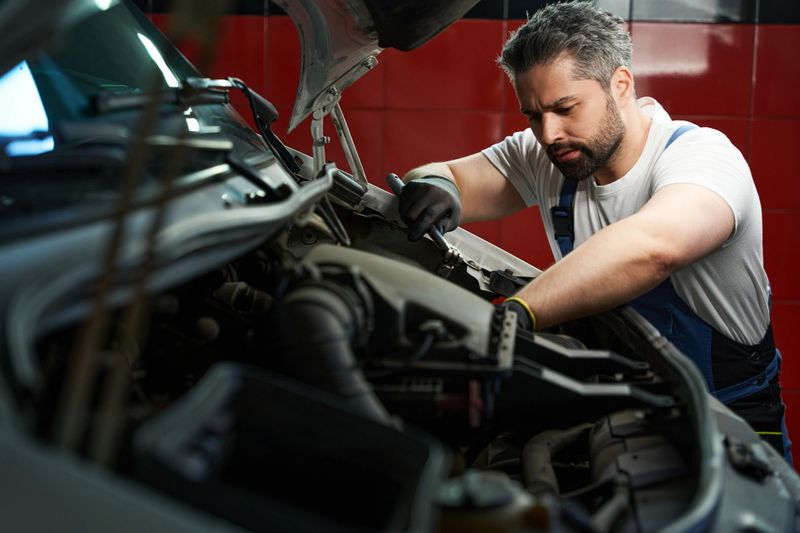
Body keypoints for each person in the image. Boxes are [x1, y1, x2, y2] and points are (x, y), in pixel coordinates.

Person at [397, 0, 792, 462]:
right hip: (625, 417)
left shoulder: (704, 159)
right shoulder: (551, 155)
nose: (549, 133)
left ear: (620, 84)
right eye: (533, 115)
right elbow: (447, 174)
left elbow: (652, 248)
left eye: (565, 108)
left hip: (730, 426)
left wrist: (514, 315)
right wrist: (435, 185)